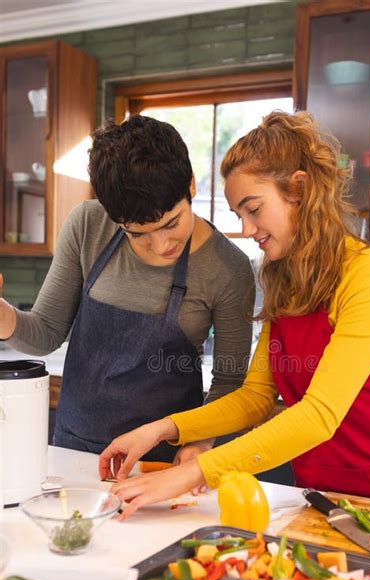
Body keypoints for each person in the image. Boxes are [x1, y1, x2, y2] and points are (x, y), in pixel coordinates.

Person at [99, 110, 370, 518]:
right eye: (238, 216)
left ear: (299, 190)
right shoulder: (286, 282)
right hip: (319, 498)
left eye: (254, 209)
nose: (247, 229)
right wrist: (163, 428)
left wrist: (193, 473)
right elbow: (255, 398)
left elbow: (319, 415)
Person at [0, 116, 255, 463]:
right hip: (73, 451)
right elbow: (44, 333)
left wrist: (200, 445)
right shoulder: (87, 226)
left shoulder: (228, 269)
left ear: (191, 186)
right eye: (137, 233)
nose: (160, 244)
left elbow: (230, 382)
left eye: (171, 223)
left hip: (163, 463)